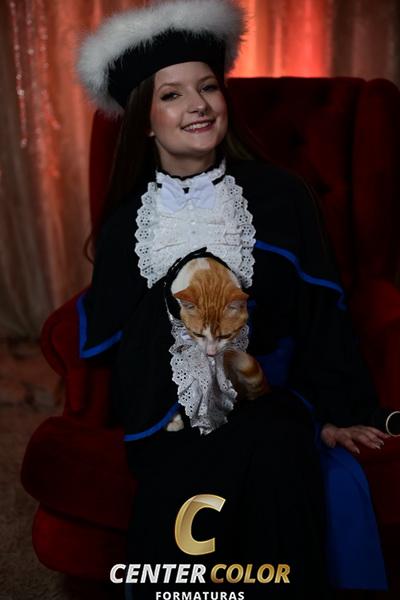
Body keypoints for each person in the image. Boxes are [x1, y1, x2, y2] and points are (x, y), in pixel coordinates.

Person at [75, 1, 400, 598]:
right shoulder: (128, 226)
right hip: (167, 412)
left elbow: (321, 314)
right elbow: (114, 343)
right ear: (145, 120)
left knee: (272, 446)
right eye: (172, 95)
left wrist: (338, 411)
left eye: (208, 87)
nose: (198, 105)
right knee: (188, 470)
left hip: (269, 399)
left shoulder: (282, 196)